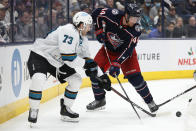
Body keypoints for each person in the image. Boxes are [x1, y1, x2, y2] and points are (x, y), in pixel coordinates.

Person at [27, 11, 106, 124]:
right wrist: (85, 65)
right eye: (88, 25)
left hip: (56, 61)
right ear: (82, 24)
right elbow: (69, 58)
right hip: (41, 55)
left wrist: (102, 76)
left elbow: (89, 61)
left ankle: (65, 109)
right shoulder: (68, 30)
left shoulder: (83, 40)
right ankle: (34, 109)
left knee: (76, 80)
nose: (90, 28)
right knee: (38, 78)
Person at [86, 3, 159, 113]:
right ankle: (100, 100)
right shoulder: (112, 14)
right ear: (126, 15)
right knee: (94, 72)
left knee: (135, 79)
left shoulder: (136, 30)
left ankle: (150, 101)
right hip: (108, 50)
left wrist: (117, 63)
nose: (135, 21)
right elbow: (96, 13)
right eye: (133, 18)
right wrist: (99, 30)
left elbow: (129, 49)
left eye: (137, 18)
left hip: (126, 54)